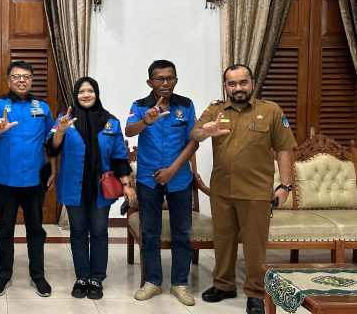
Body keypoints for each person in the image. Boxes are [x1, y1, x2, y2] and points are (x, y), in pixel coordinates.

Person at [191, 64, 296, 314]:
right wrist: (205, 132)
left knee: (254, 246)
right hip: (222, 190)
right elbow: (195, 134)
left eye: (243, 82)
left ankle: (256, 292)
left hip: (256, 192)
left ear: (252, 83)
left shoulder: (270, 111)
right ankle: (224, 285)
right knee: (223, 241)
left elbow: (284, 148)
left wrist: (285, 185)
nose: (238, 88)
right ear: (225, 86)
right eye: (232, 84)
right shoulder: (215, 110)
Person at [47, 77, 136, 300]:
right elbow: (52, 149)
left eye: (90, 91)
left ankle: (96, 278)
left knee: (98, 232)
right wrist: (60, 131)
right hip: (73, 186)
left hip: (100, 188)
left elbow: (119, 157)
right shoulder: (65, 119)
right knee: (78, 231)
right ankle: (81, 278)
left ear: (96, 93)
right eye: (81, 91)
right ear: (75, 95)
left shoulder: (111, 122)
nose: (86, 95)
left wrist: (126, 184)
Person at [124, 60, 199, 306]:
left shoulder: (186, 105)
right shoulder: (140, 105)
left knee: (182, 232)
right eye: (159, 79)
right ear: (150, 82)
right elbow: (129, 131)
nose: (165, 83)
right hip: (148, 179)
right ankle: (153, 282)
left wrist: (172, 170)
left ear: (176, 80)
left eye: (170, 78)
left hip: (179, 178)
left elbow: (193, 142)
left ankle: (180, 283)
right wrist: (146, 121)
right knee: (150, 232)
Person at [0, 61, 55, 298]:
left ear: (32, 80)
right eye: (16, 76)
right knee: (5, 229)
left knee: (36, 230)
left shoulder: (42, 107)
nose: (21, 80)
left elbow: (51, 142)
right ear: (8, 80)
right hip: (5, 179)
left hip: (34, 179)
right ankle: (4, 275)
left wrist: (53, 170)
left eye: (26, 76)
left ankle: (38, 275)